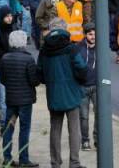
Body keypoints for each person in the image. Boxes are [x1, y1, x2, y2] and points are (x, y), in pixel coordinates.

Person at [36, 26, 87, 168]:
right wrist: (78, 81)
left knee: (55, 129)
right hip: (71, 93)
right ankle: (74, 162)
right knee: (74, 130)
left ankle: (55, 162)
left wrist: (50, 82)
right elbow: (82, 68)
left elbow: (39, 72)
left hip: (53, 95)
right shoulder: (71, 49)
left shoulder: (44, 51)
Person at [0, 30, 41, 167]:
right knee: (24, 128)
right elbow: (34, 81)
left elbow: (3, 80)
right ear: (23, 42)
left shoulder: (4, 58)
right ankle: (24, 159)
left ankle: (7, 157)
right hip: (25, 101)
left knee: (8, 128)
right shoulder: (28, 59)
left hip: (11, 99)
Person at [76, 23, 97, 151]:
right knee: (83, 116)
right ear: (85, 35)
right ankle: (85, 140)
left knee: (99, 115)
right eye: (90, 34)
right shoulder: (78, 48)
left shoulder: (100, 47)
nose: (93, 36)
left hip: (97, 86)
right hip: (82, 87)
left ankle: (97, 140)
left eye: (95, 34)